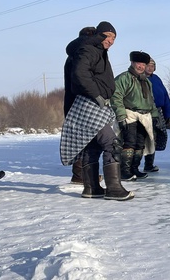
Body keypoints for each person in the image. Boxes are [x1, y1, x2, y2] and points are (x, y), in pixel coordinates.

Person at [60, 21, 134, 201]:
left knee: (93, 145)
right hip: (89, 104)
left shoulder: (96, 51)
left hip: (92, 104)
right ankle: (114, 189)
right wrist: (97, 95)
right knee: (112, 142)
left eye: (114, 38)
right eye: (109, 36)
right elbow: (80, 74)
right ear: (99, 35)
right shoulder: (88, 49)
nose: (112, 41)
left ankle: (91, 188)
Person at [111, 51, 158, 181]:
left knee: (140, 144)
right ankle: (125, 171)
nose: (141, 66)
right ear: (132, 62)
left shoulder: (147, 82)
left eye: (144, 64)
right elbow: (116, 96)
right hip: (129, 114)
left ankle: (134, 168)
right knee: (130, 142)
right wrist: (121, 115)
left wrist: (154, 115)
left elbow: (150, 100)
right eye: (139, 63)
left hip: (144, 116)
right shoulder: (124, 78)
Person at [63, 26, 102, 185]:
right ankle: (80, 175)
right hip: (80, 102)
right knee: (84, 138)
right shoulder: (80, 55)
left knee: (84, 137)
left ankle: (82, 173)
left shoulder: (75, 55)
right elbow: (82, 80)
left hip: (74, 101)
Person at [142, 58, 170, 172]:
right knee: (143, 137)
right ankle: (132, 165)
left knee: (154, 137)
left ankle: (149, 164)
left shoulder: (156, 79)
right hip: (144, 111)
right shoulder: (139, 78)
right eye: (148, 65)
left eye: (152, 66)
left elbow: (165, 97)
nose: (150, 68)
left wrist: (168, 114)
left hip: (158, 111)